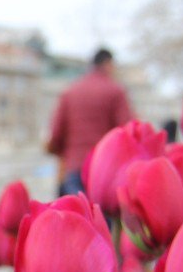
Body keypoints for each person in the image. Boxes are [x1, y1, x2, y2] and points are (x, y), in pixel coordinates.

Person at [47, 48, 133, 196]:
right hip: (104, 169)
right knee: (104, 217)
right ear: (108, 64)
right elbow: (127, 130)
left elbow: (56, 134)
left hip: (74, 166)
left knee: (78, 214)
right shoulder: (115, 90)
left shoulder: (70, 91)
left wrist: (65, 154)